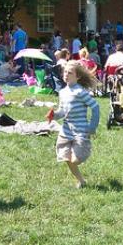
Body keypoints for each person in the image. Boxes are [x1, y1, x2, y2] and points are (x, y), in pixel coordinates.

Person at [47, 60, 100, 189]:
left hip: (81, 130)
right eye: (65, 72)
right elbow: (63, 112)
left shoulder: (80, 92)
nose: (66, 75)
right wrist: (54, 115)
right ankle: (81, 181)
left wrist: (92, 126)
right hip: (66, 130)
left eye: (70, 73)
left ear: (78, 76)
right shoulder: (62, 92)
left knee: (75, 159)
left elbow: (95, 107)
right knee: (65, 157)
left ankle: (85, 148)